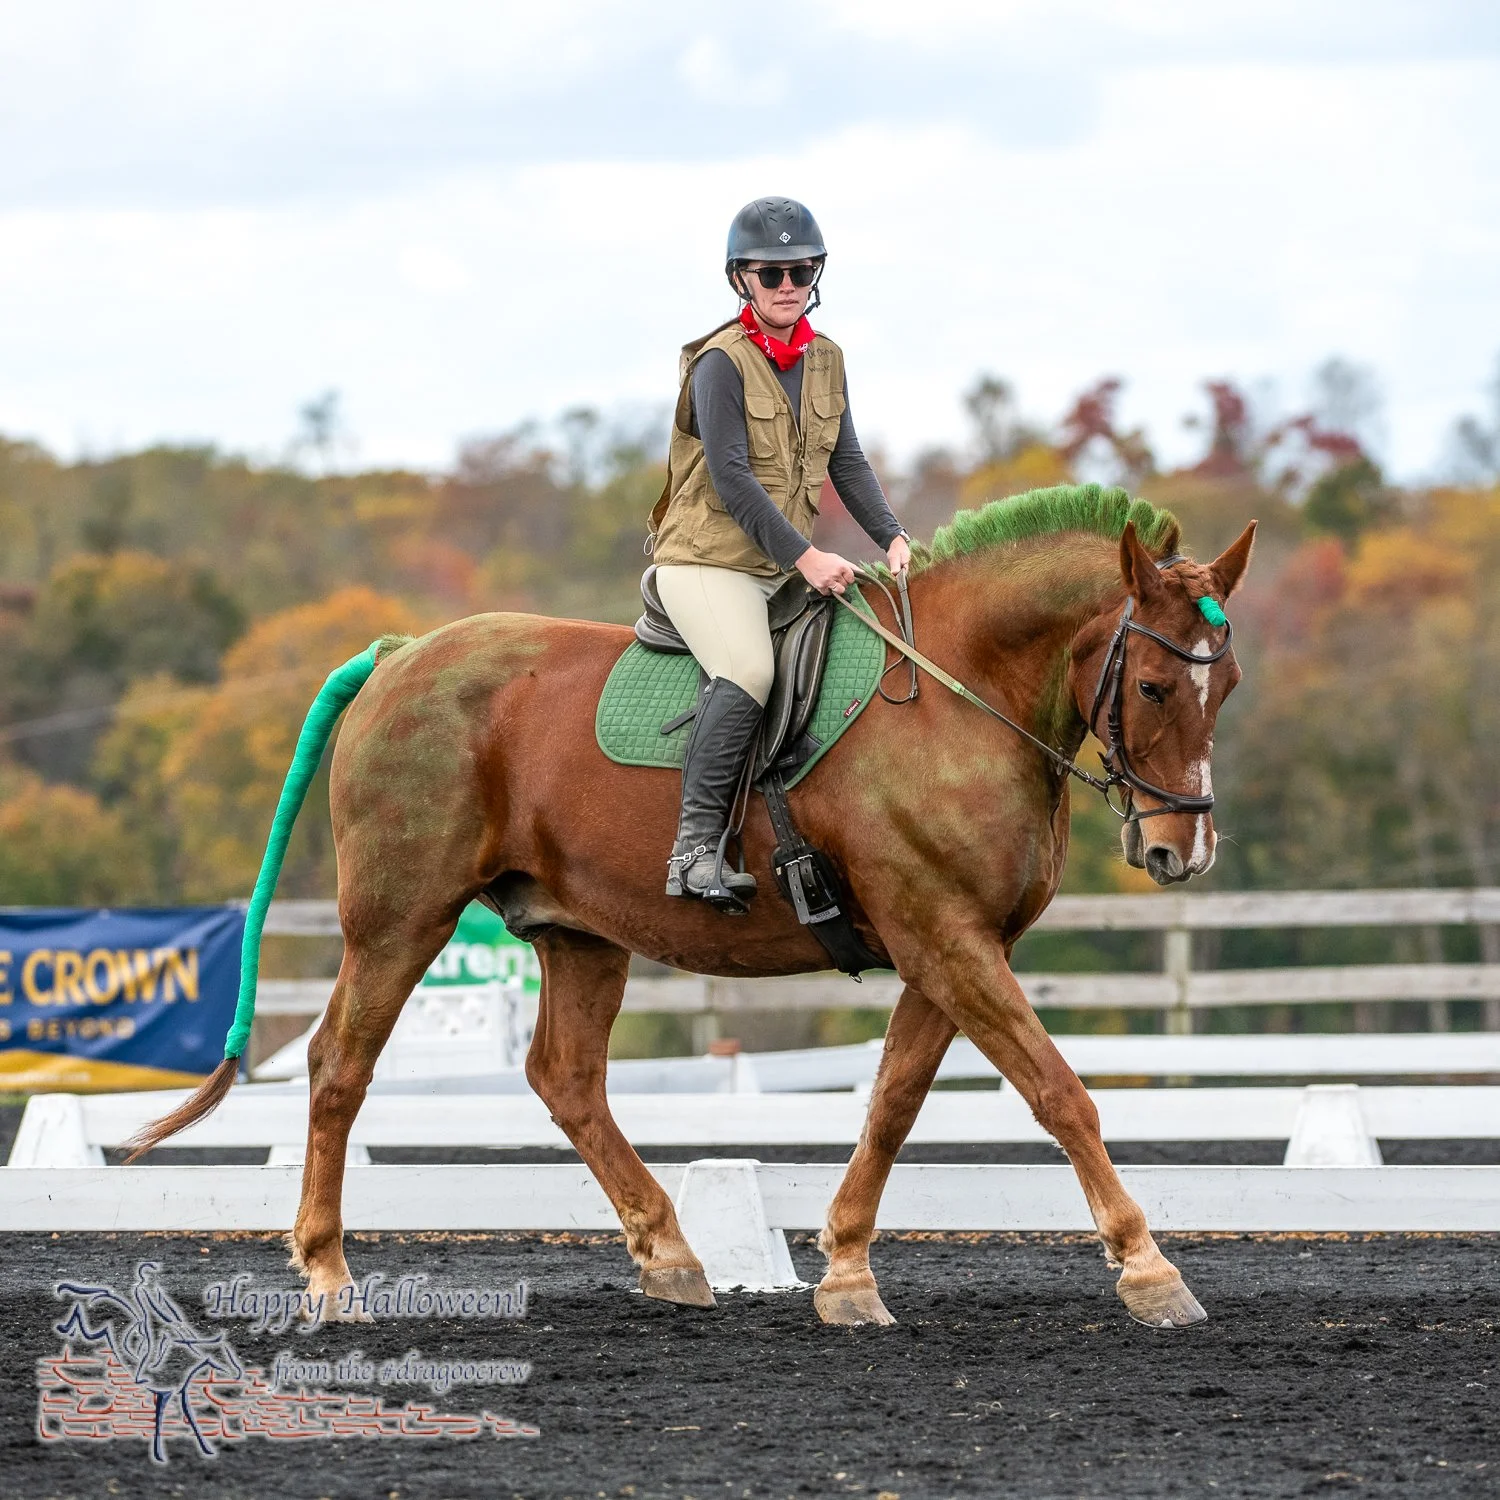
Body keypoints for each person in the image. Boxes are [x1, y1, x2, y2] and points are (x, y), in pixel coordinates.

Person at [646, 196, 911, 907]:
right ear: (742, 281)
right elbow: (732, 478)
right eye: (770, 274)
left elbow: (846, 461)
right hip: (706, 562)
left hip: (777, 564)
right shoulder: (718, 365)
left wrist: (891, 532)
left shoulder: (828, 360)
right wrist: (807, 557)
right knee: (748, 669)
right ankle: (693, 850)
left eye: (799, 270)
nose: (787, 285)